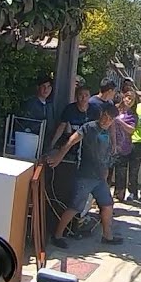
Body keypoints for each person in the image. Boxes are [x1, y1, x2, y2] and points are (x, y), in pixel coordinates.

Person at [45, 102, 124, 248]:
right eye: (105, 116)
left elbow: (106, 154)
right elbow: (71, 141)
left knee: (107, 205)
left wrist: (106, 171)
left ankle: (107, 236)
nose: (106, 120)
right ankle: (57, 236)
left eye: (110, 119)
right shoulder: (89, 127)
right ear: (101, 114)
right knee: (75, 207)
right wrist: (59, 156)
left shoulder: (107, 132)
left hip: (100, 178)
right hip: (85, 176)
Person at [110, 92, 137, 202]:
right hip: (110, 144)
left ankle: (119, 194)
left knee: (121, 172)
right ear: (124, 98)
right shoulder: (115, 109)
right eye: (128, 98)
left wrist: (120, 122)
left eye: (132, 100)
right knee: (107, 171)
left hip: (124, 146)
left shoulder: (132, 115)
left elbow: (132, 130)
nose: (129, 101)